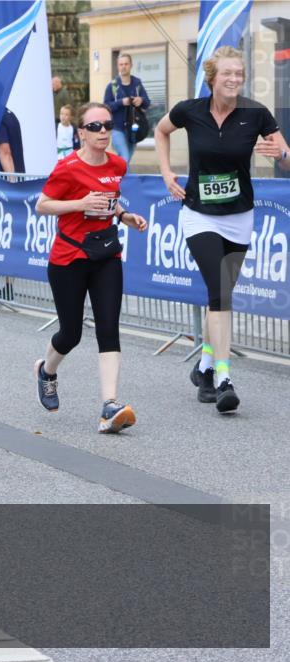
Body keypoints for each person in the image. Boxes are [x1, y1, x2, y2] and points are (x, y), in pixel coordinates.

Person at [155, 46, 289, 413]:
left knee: (222, 294)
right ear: (212, 77)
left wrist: (279, 155)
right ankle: (225, 377)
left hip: (239, 217)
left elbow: (288, 157)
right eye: (227, 73)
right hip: (199, 216)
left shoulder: (255, 114)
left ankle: (204, 368)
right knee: (220, 292)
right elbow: (161, 131)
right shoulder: (189, 110)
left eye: (239, 74)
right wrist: (166, 173)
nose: (234, 79)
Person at [33, 102, 148, 432]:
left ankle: (109, 406)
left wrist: (124, 215)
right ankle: (47, 371)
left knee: (108, 327)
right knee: (71, 334)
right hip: (69, 259)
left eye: (107, 126)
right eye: (95, 127)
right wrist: (80, 204)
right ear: (80, 132)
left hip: (106, 256)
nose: (103, 132)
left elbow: (112, 198)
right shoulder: (67, 167)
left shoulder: (117, 164)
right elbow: (43, 205)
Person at [103, 53, 150, 164]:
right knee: (125, 157)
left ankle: (118, 179)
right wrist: (121, 102)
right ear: (118, 66)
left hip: (133, 128)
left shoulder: (137, 84)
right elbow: (105, 107)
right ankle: (125, 181)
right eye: (121, 64)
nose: (123, 66)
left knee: (126, 159)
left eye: (126, 64)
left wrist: (141, 100)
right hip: (117, 128)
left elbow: (147, 102)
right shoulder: (112, 86)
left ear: (131, 65)